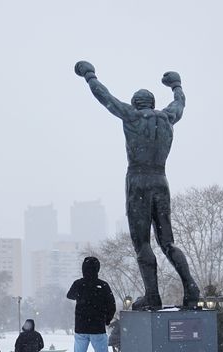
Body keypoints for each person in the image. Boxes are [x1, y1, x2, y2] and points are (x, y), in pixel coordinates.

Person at [75, 61, 200, 311]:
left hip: (138, 181)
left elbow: (105, 96)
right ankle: (191, 287)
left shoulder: (131, 116)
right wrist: (176, 85)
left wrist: (89, 75)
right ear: (153, 104)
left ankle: (152, 296)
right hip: (161, 181)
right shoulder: (167, 118)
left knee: (142, 242)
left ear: (136, 104)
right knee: (168, 241)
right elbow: (180, 103)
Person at [66, 256, 116, 352]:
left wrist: (82, 295)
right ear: (98, 269)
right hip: (98, 329)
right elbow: (111, 305)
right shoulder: (103, 286)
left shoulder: (78, 284)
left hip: (81, 328)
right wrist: (106, 320)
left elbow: (69, 295)